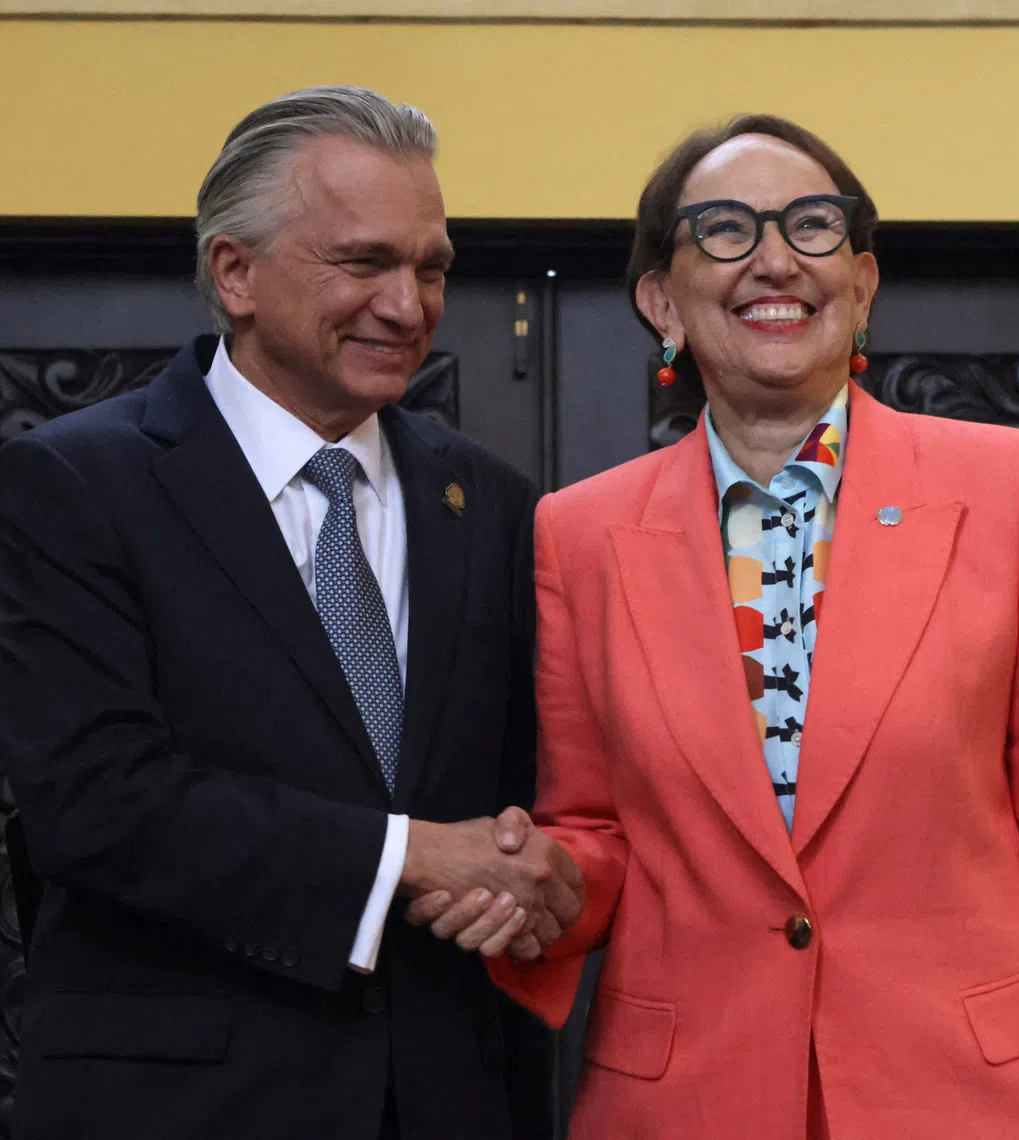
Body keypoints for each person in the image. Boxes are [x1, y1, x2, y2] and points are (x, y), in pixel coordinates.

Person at [412, 115, 1019, 1138]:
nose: (772, 258)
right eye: (722, 229)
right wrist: (538, 889)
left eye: (810, 225)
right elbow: (597, 833)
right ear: (661, 300)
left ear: (863, 284)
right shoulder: (579, 535)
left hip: (974, 1099)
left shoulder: (1011, 487)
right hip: (687, 1103)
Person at [0, 86, 582, 1140]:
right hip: (179, 1106)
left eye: (433, 267)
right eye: (364, 263)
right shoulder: (73, 485)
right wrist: (406, 857)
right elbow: (96, 802)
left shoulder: (489, 502)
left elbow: (519, 798)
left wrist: (529, 874)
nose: (409, 305)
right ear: (235, 274)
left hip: (448, 1099)